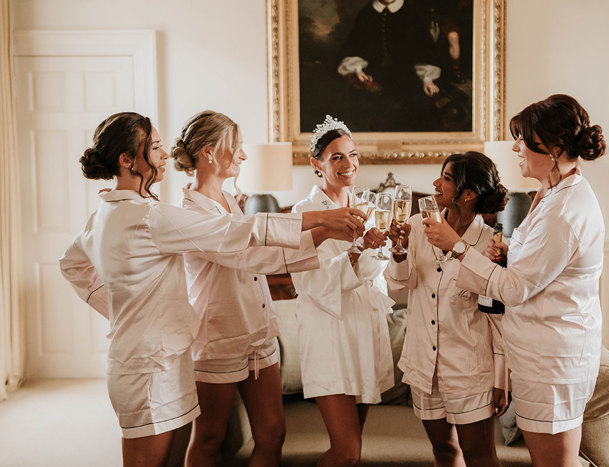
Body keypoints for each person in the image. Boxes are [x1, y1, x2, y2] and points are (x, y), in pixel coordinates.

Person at [59, 112, 366, 467]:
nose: (162, 156)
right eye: (154, 147)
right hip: (189, 348)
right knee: (201, 441)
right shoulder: (159, 216)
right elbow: (239, 240)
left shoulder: (138, 211)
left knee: (271, 434)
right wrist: (322, 221)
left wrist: (121, 310)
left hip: (236, 337)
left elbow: (71, 264)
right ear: (127, 160)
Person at [422, 94, 606, 467]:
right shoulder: (551, 192)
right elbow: (541, 268)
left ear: (554, 147)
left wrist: (457, 246)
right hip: (539, 355)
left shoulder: (565, 212)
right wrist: (510, 257)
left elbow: (515, 290)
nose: (515, 146)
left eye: (523, 138)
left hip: (552, 361)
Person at [171, 110, 349, 467]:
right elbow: (255, 256)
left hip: (259, 333)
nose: (243, 155)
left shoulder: (234, 200)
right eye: (235, 146)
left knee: (272, 434)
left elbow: (262, 244)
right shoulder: (190, 216)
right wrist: (325, 225)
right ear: (209, 152)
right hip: (219, 338)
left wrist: (333, 231)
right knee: (208, 438)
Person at [384, 152, 508, 467]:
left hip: (470, 369)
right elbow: (401, 284)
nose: (436, 183)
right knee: (443, 451)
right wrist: (398, 250)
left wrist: (501, 376)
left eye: (447, 179)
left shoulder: (490, 245)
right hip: (425, 366)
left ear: (468, 195)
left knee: (480, 457)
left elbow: (498, 318)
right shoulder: (416, 225)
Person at [290, 115, 395, 467]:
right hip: (329, 334)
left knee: (355, 449)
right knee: (346, 450)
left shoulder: (369, 207)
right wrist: (356, 249)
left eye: (353, 154)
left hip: (363, 329)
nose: (349, 164)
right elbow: (310, 281)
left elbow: (378, 271)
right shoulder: (303, 213)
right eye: (337, 157)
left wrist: (388, 248)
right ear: (316, 164)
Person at [336, 0, 441, 131]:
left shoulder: (412, 14)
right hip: (373, 74)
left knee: (415, 107)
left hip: (407, 75)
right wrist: (358, 69)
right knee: (362, 107)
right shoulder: (366, 14)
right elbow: (355, 44)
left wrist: (427, 79)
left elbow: (424, 49)